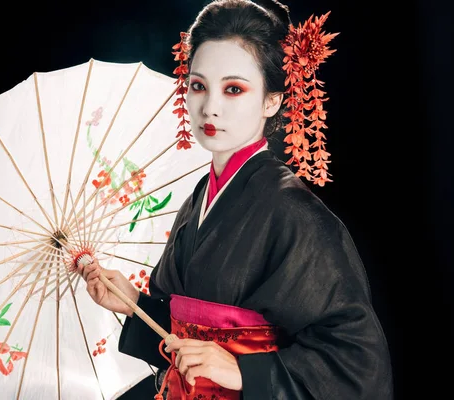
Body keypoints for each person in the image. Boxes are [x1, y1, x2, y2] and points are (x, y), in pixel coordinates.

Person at [78, 0, 394, 398]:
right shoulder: (199, 197)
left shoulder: (294, 214)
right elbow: (187, 328)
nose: (210, 107)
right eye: (198, 86)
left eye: (233, 89)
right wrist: (134, 304)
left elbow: (356, 360)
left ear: (271, 100)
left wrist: (246, 371)